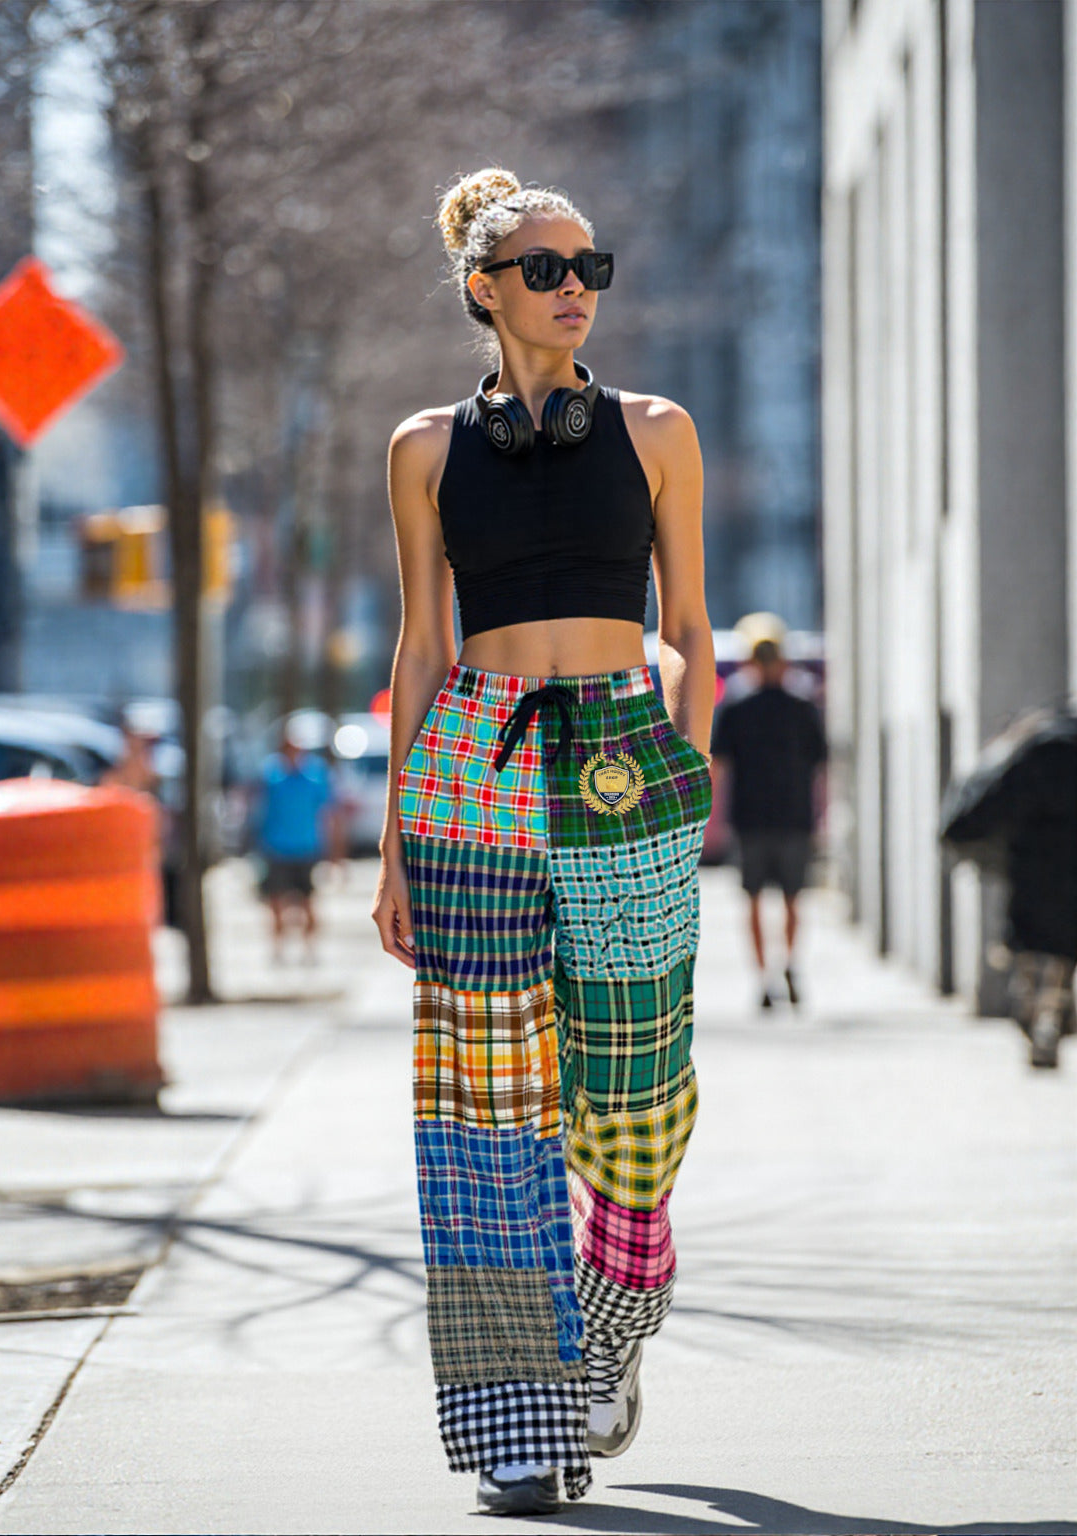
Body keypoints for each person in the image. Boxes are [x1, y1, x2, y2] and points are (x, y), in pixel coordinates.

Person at [372, 168, 715, 1516]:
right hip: (472, 769)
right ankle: (523, 1421)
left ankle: (618, 1312)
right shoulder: (420, 447)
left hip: (627, 760)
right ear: (484, 289)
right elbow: (419, 645)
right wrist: (400, 839)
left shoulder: (657, 429)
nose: (576, 286)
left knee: (635, 1098)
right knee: (485, 1108)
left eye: (591, 266)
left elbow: (690, 617)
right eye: (546, 268)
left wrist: (685, 752)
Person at [711, 622, 827, 1010]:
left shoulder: (736, 708)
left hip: (751, 818)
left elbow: (718, 766)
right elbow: (821, 766)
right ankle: (787, 966)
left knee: (756, 901)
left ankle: (766, 978)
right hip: (792, 815)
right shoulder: (802, 707)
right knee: (790, 899)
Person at [254, 722, 335, 961]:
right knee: (275, 902)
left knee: (308, 901)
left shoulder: (315, 775)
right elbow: (259, 810)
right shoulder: (270, 774)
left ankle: (310, 949)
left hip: (306, 847)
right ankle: (278, 950)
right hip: (276, 847)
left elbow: (327, 814)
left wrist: (334, 851)